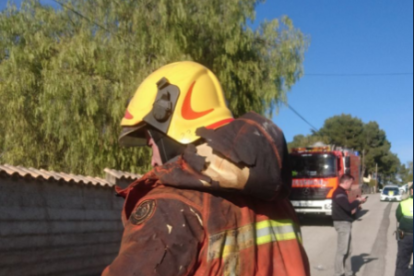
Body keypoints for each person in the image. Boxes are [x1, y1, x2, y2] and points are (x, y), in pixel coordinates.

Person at [102, 61, 310, 276]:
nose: (151, 154)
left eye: (150, 141)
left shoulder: (171, 206)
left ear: (166, 126)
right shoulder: (277, 200)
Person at [332, 174, 367, 276]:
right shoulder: (339, 194)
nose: (352, 185)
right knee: (342, 251)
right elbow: (347, 207)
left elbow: (347, 210)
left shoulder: (342, 193)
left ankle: (348, 273)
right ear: (346, 182)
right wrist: (357, 200)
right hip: (342, 224)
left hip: (345, 222)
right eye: (351, 183)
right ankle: (338, 273)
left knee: (348, 250)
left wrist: (358, 206)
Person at [395, 184, 413, 276]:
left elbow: (398, 218)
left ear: (411, 191)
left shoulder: (403, 203)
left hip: (404, 235)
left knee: (402, 262)